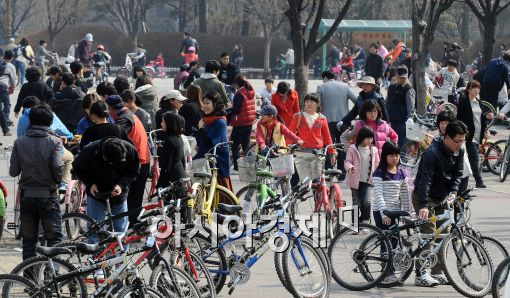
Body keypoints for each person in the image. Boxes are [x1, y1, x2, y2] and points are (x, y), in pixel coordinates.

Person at [413, 120, 468, 287]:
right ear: (447, 137)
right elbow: (425, 181)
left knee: (443, 235)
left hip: (443, 198)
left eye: (463, 140)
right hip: (425, 197)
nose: (460, 144)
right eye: (457, 141)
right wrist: (423, 205)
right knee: (428, 235)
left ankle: (437, 272)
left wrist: (453, 192)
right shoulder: (432, 153)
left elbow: (458, 174)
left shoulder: (459, 151)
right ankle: (421, 274)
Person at [9, 103, 64, 260]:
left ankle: (29, 280)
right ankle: (51, 278)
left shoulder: (19, 142)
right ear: (49, 122)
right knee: (54, 240)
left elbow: (13, 172)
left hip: (27, 196)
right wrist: (57, 179)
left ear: (31, 121)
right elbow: (57, 166)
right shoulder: (55, 141)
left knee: (29, 242)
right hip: (48, 196)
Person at [72, 137, 139, 243]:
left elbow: (133, 172)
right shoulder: (90, 150)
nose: (112, 164)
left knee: (121, 229)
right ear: (103, 155)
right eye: (109, 162)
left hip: (119, 194)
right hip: (96, 193)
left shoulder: (130, 150)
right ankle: (95, 256)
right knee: (95, 228)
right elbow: (77, 167)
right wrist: (90, 183)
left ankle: (122, 257)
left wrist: (121, 185)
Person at [106, 95, 150, 228]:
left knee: (131, 198)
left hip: (139, 162)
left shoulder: (125, 119)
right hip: (141, 159)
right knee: (133, 198)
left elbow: (114, 137)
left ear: (110, 108)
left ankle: (129, 228)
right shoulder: (127, 114)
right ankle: (131, 226)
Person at [372, 140, 410, 283]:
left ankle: (391, 270)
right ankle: (386, 273)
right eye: (391, 156)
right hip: (382, 212)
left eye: (397, 155)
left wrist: (406, 214)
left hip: (395, 213)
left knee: (395, 242)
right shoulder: (379, 173)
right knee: (386, 242)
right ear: (384, 157)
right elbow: (379, 195)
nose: (395, 158)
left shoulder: (401, 173)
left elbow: (405, 196)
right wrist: (384, 214)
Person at [317, 70, 357, 172]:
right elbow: (356, 100)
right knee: (343, 146)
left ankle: (328, 169)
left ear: (325, 77)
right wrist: (350, 115)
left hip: (327, 121)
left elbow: (317, 103)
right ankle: (342, 171)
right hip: (344, 121)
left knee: (328, 146)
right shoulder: (345, 86)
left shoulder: (321, 87)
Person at [457, 80, 493, 188]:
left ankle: (461, 179)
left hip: (478, 134)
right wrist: (462, 131)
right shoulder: (464, 101)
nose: (477, 90)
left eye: (478, 88)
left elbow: (481, 117)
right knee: (474, 158)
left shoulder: (479, 101)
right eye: (474, 88)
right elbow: (459, 118)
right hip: (468, 135)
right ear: (468, 89)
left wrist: (487, 118)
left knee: (468, 158)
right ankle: (479, 180)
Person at [195, 91, 232, 191]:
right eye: (204, 103)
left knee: (221, 200)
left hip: (217, 165)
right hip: (207, 163)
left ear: (215, 104)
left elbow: (208, 143)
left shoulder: (219, 122)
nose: (205, 106)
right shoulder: (208, 119)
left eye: (208, 103)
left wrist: (201, 129)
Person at [345, 126, 380, 225]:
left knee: (366, 201)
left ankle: (365, 220)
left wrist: (379, 175)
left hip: (368, 181)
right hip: (354, 181)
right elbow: (347, 161)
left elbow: (377, 164)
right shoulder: (353, 148)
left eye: (371, 138)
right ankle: (355, 224)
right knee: (356, 203)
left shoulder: (374, 150)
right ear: (361, 137)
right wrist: (350, 167)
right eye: (368, 138)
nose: (370, 140)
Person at [289, 93, 336, 160]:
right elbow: (290, 134)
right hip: (300, 152)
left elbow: (327, 137)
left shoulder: (322, 118)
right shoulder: (298, 116)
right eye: (307, 101)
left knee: (317, 170)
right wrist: (286, 150)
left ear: (317, 104)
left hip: (317, 153)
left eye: (312, 102)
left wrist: (332, 153)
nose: (309, 104)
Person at [435, 110, 472, 195]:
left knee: (458, 202)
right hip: (446, 175)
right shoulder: (436, 137)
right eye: (442, 123)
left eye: (446, 123)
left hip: (461, 174)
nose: (444, 126)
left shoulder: (458, 138)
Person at [229, 75, 256, 171]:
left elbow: (236, 109)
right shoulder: (250, 91)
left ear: (237, 84)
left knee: (235, 145)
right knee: (246, 145)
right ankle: (250, 164)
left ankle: (237, 167)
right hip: (249, 123)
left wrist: (228, 111)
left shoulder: (239, 93)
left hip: (239, 123)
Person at [157, 112, 187, 194]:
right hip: (180, 173)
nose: (161, 123)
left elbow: (166, 165)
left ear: (169, 124)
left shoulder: (169, 141)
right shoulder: (179, 137)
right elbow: (183, 159)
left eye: (163, 121)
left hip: (172, 177)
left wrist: (159, 184)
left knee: (171, 204)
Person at [386, 66, 415, 147]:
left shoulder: (408, 89)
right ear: (396, 76)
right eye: (400, 77)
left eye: (403, 77)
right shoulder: (391, 87)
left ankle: (401, 159)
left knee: (400, 142)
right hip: (390, 119)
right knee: (390, 142)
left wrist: (410, 118)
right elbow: (387, 101)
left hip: (401, 122)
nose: (401, 79)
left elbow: (410, 105)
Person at [0, 50, 16, 136]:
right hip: (2, 86)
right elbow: (13, 78)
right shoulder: (10, 66)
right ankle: (5, 120)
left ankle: (5, 128)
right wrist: (12, 86)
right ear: (12, 58)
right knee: (7, 104)